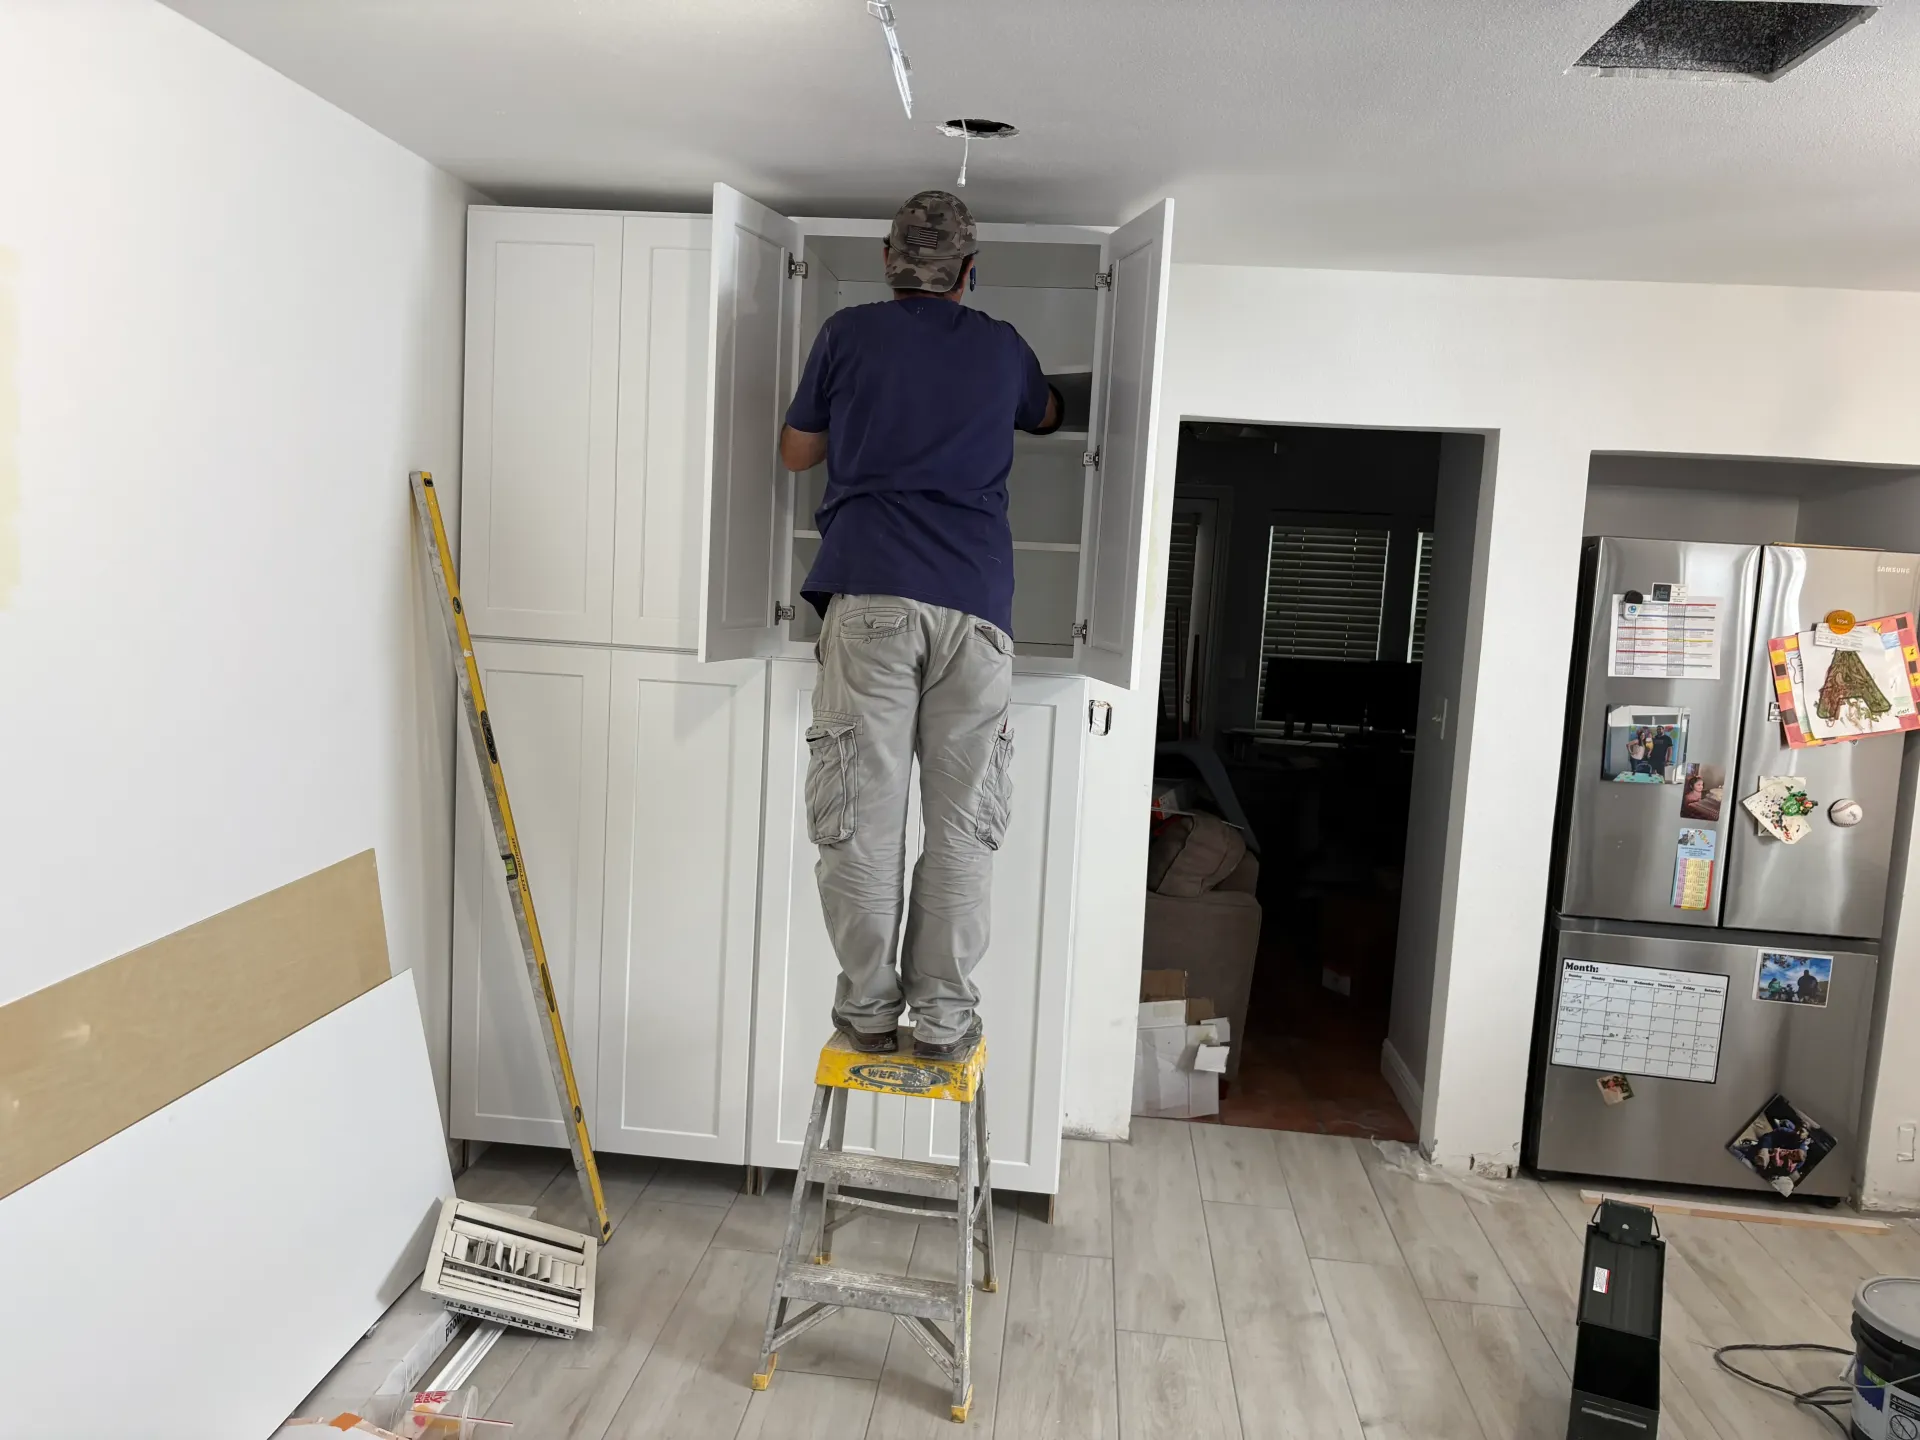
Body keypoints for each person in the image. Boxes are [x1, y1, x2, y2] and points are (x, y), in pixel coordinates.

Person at [778, 190, 1062, 1062]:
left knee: (864, 817)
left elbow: (796, 452)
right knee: (962, 824)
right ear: (969, 275)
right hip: (977, 609)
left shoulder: (848, 335)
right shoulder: (1002, 348)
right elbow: (1047, 415)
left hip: (872, 599)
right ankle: (942, 1023)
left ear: (887, 263)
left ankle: (868, 1014)